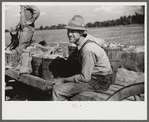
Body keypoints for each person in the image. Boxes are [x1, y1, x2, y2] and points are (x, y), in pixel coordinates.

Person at [52, 15, 113, 101]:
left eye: (73, 31)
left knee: (57, 90)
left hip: (99, 81)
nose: (69, 34)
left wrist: (63, 80)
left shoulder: (88, 49)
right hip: (95, 76)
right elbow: (102, 41)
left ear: (81, 32)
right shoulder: (86, 39)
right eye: (68, 30)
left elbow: (85, 78)